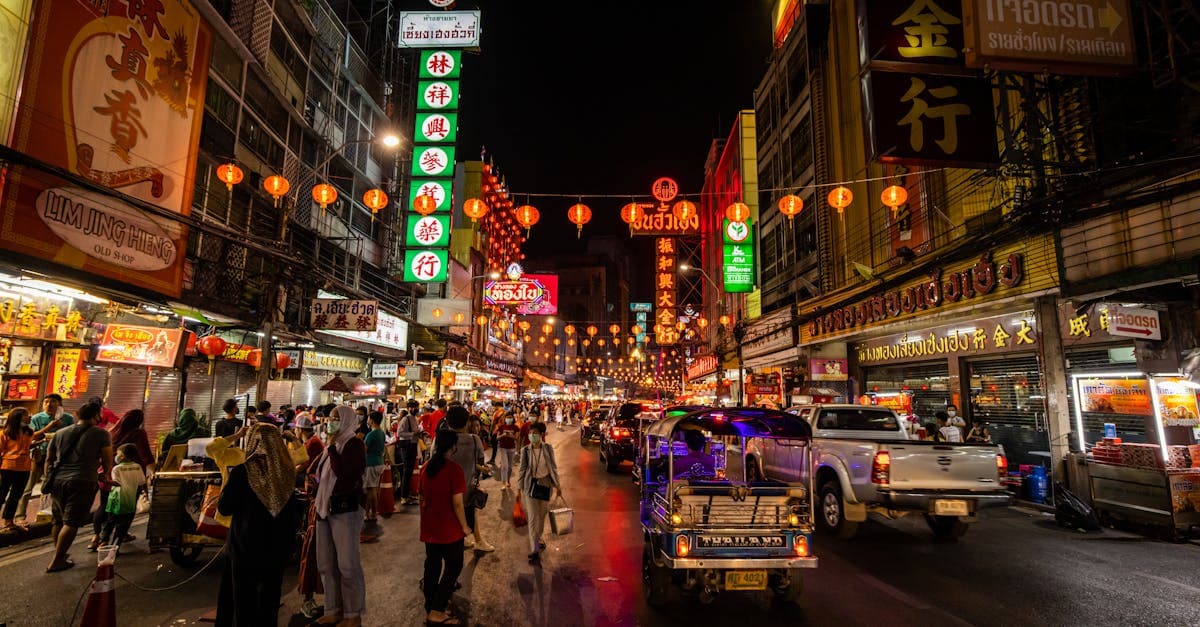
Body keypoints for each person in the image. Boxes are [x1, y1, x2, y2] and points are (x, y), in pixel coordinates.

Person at [216, 423, 300, 626]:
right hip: (278, 545)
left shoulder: (242, 472)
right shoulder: (287, 472)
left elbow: (225, 508)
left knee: (244, 598)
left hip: (246, 546)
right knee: (270, 597)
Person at [313, 405, 367, 626]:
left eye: (336, 418)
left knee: (347, 565)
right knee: (326, 564)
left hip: (345, 511)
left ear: (346, 420)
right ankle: (332, 608)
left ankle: (352, 614)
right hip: (324, 508)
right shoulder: (332, 446)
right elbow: (321, 474)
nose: (331, 421)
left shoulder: (353, 444)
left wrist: (332, 449)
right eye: (330, 417)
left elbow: (344, 475)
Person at [46, 401, 112, 573]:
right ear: (97, 415)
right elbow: (107, 459)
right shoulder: (101, 434)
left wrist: (48, 478)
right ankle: (57, 560)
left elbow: (49, 459)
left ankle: (60, 554)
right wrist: (105, 474)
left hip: (58, 481)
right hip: (83, 480)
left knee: (58, 520)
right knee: (72, 521)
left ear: (77, 414)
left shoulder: (60, 433)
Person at [419, 429, 471, 626]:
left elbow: (421, 498)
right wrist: (465, 526)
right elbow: (457, 504)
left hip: (430, 526)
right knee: (453, 567)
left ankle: (430, 606)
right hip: (449, 529)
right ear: (453, 447)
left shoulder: (426, 467)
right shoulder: (454, 469)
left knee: (432, 567)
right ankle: (437, 610)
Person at [91, 409, 155, 549]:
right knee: (126, 514)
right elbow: (146, 455)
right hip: (128, 482)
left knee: (106, 507)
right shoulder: (138, 433)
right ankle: (116, 542)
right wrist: (152, 475)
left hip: (107, 475)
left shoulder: (112, 432)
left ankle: (97, 537)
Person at [17, 393, 73, 521]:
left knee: (55, 488)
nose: (49, 405)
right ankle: (20, 516)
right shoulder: (36, 418)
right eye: (46, 402)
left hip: (58, 458)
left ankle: (52, 516)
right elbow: (32, 436)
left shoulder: (67, 419)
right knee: (27, 488)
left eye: (53, 402)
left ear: (60, 405)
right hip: (39, 456)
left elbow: (71, 436)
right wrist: (50, 427)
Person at [445, 407, 493, 552]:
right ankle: (476, 540)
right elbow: (480, 461)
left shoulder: (441, 440)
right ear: (467, 422)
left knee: (451, 514)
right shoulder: (474, 440)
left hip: (446, 487)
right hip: (467, 487)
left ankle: (461, 538)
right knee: (471, 513)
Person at [516, 422, 561, 564]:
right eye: (530, 433)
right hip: (530, 486)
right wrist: (518, 489)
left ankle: (538, 537)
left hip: (546, 485)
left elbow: (553, 467)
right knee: (533, 518)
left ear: (541, 435)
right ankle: (534, 548)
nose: (531, 436)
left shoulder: (548, 448)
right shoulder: (525, 450)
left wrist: (558, 485)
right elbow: (522, 470)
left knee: (542, 515)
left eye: (534, 433)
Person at [98, 443, 146, 551]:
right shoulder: (137, 466)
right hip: (130, 499)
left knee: (110, 521)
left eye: (118, 454)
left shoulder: (117, 468)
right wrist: (146, 493)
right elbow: (142, 482)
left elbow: (117, 483)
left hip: (116, 499)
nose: (116, 456)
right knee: (123, 525)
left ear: (123, 456)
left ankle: (104, 541)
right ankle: (116, 547)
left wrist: (105, 481)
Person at [1, 408, 37, 531]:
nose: (30, 416)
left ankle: (8, 521)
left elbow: (27, 446)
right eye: (26, 415)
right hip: (7, 468)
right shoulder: (5, 434)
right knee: (2, 495)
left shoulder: (28, 432)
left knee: (15, 496)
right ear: (18, 417)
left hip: (24, 468)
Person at [393, 400, 421, 505]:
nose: (415, 409)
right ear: (409, 408)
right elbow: (400, 433)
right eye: (413, 407)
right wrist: (412, 434)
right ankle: (403, 496)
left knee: (409, 471)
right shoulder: (406, 419)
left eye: (416, 407)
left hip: (413, 445)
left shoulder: (415, 419)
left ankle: (407, 494)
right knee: (406, 471)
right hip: (407, 447)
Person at [362, 412, 386, 525]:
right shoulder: (382, 433)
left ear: (371, 420)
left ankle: (370, 514)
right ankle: (372, 513)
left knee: (370, 490)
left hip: (370, 463)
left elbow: (364, 450)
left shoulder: (371, 434)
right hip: (379, 462)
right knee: (373, 489)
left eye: (368, 418)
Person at [494, 413, 520, 492]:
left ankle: (508, 480)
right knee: (504, 466)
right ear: (505, 419)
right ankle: (503, 483)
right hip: (503, 448)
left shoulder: (515, 427)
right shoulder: (501, 427)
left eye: (510, 417)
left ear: (513, 418)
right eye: (507, 417)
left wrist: (510, 435)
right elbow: (497, 437)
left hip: (512, 448)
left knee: (510, 467)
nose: (509, 419)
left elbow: (516, 438)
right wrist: (503, 435)